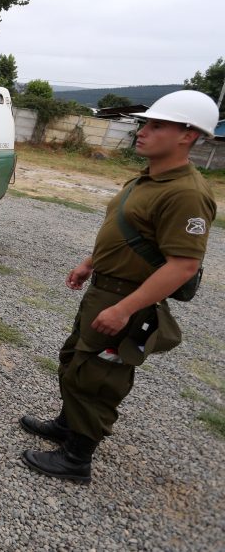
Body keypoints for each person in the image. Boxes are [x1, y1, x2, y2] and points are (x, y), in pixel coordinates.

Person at [20, 90, 218, 484]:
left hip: (128, 296)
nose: (142, 131)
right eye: (144, 123)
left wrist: (125, 308)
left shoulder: (187, 193)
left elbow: (184, 265)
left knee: (100, 375)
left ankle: (77, 458)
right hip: (104, 288)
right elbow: (123, 233)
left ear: (188, 135)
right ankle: (67, 424)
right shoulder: (147, 178)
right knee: (76, 358)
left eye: (156, 125)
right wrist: (88, 264)